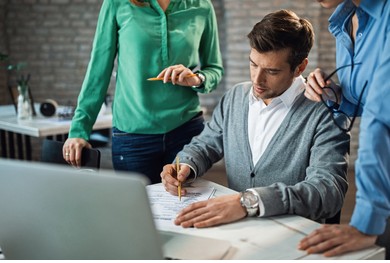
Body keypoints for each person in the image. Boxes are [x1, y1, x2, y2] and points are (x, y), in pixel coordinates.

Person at [160, 9, 350, 228]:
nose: (257, 79)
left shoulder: (326, 113)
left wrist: (248, 202)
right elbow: (205, 144)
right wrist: (184, 165)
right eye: (253, 64)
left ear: (300, 67)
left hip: (292, 238)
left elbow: (327, 191)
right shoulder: (235, 97)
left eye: (272, 71)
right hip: (239, 230)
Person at [62, 0, 223, 183]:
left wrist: (196, 79)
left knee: (185, 209)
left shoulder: (202, 5)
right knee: (137, 209)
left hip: (186, 131)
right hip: (132, 136)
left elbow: (214, 69)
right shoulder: (117, 3)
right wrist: (79, 131)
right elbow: (98, 71)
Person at [299, 0, 390, 259]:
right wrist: (334, 94)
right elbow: (367, 101)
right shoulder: (345, 20)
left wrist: (365, 222)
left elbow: (380, 115)